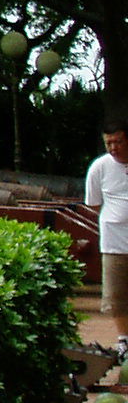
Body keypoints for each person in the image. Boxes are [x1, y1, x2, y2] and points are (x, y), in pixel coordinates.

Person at [87, 121, 128, 314]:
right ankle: (123, 340)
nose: (113, 148)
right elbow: (94, 203)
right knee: (116, 298)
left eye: (118, 142)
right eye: (108, 143)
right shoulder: (99, 167)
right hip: (114, 244)